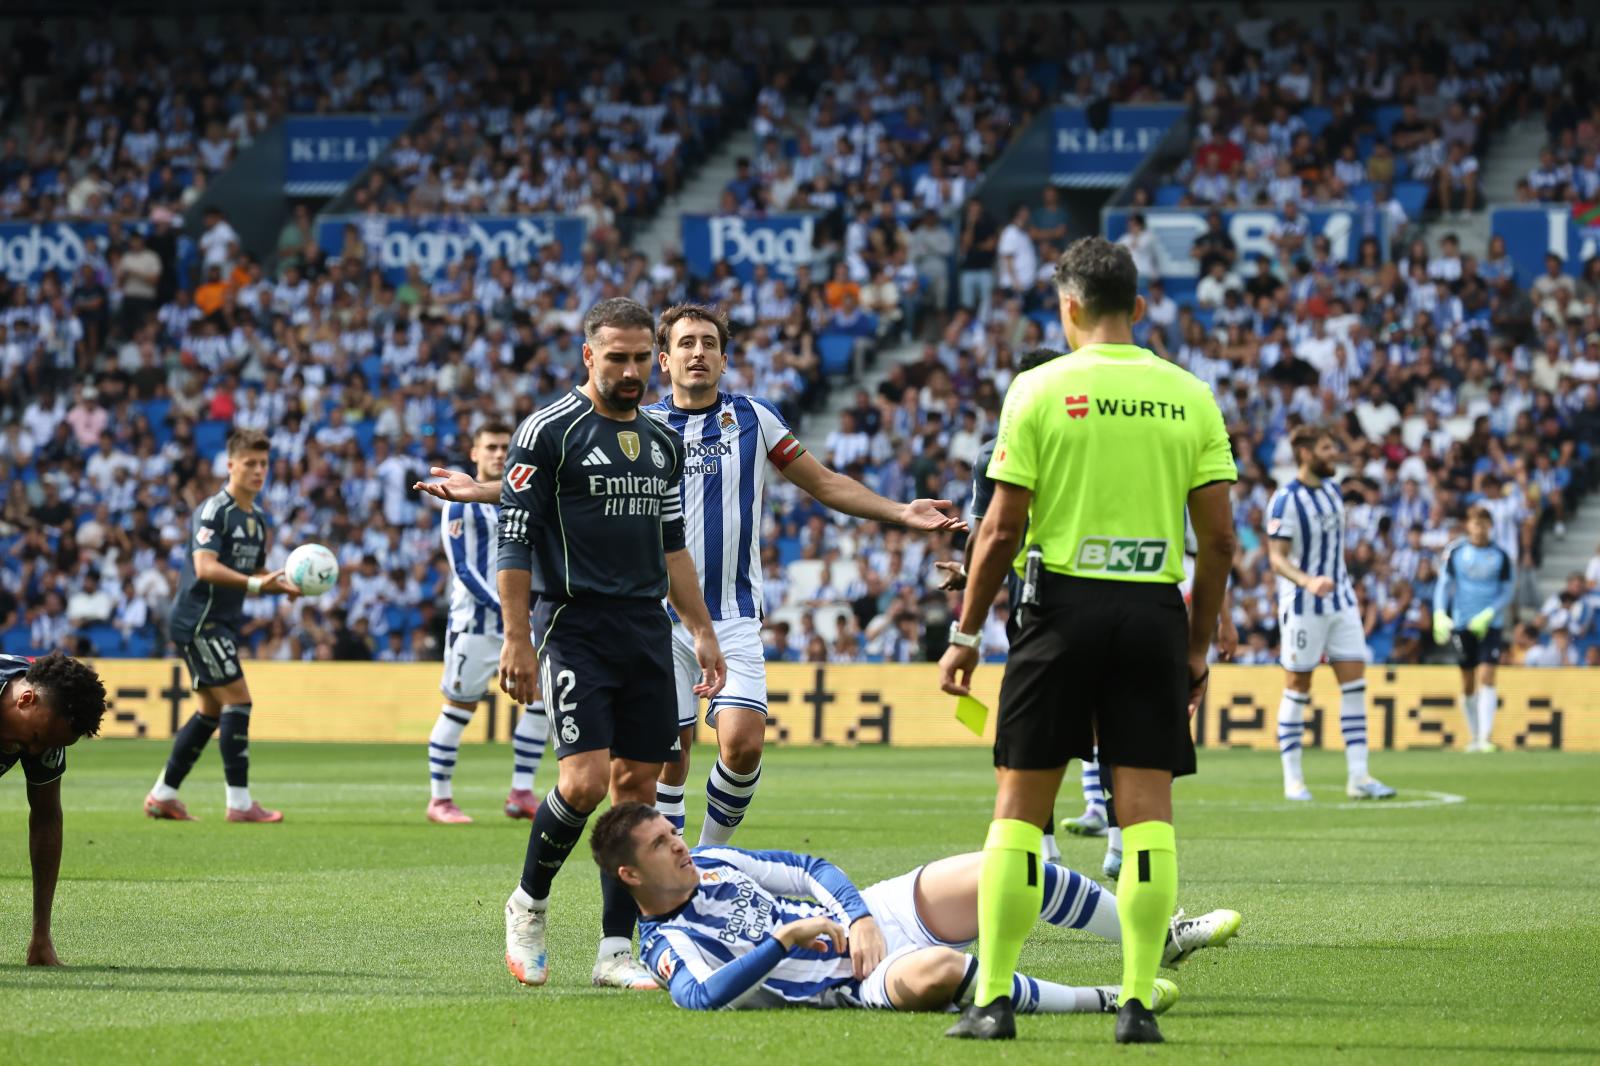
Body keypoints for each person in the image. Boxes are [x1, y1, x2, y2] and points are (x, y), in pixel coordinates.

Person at [937, 237, 1238, 1043]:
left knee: (1018, 812)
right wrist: (1198, 649)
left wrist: (965, 633)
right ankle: (1138, 1004)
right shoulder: (1191, 395)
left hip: (1059, 613)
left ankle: (994, 1000)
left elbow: (1000, 530)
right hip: (1150, 615)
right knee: (1147, 820)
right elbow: (1219, 545)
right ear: (1138, 307)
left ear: (1066, 307)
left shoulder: (1038, 388)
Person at [420, 298, 728, 990]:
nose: (630, 369)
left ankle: (615, 951)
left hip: (647, 627)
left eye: (641, 356)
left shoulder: (661, 441)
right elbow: (515, 539)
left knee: (636, 791)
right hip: (575, 625)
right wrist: (518, 639)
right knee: (584, 782)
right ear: (588, 357)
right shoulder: (547, 431)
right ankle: (528, 903)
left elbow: (672, 545)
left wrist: (701, 630)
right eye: (615, 356)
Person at [645, 304, 963, 846]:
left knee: (742, 745)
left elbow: (825, 483)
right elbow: (573, 482)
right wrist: (495, 489)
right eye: (686, 344)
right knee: (668, 755)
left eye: (708, 344)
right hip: (655, 617)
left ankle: (710, 858)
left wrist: (900, 511)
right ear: (664, 358)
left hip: (734, 614)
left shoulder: (754, 418)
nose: (697, 352)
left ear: (724, 359)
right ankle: (671, 876)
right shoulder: (642, 427)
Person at [590, 802, 1238, 1013]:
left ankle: (1158, 938)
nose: (678, 843)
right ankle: (1107, 998)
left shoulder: (716, 862)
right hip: (850, 981)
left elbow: (809, 869)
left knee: (1010, 870)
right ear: (629, 873)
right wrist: (785, 940)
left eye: (670, 832)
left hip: (874, 917)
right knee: (938, 973)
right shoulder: (666, 945)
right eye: (659, 843)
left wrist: (859, 916)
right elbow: (701, 1000)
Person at [145, 430, 299, 823]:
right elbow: (205, 567)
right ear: (230, 465)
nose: (258, 471)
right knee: (239, 700)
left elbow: (254, 571)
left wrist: (282, 585)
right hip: (200, 622)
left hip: (220, 624)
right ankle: (240, 803)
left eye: (263, 464)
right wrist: (254, 584)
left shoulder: (258, 519)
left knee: (209, 712)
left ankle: (163, 795)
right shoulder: (215, 510)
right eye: (250, 463)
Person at [423, 422, 551, 824]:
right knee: (459, 709)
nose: (498, 454)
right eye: (490, 447)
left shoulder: (520, 499)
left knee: (542, 704)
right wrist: (508, 609)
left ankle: (521, 793)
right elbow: (464, 568)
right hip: (476, 625)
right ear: (475, 454)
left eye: (503, 447)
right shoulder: (459, 501)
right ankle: (439, 799)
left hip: (520, 623)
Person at [1267, 426, 1396, 803]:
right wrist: (1307, 581)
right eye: (1326, 448)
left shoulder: (1333, 492)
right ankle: (1293, 780)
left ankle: (1359, 776)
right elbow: (1277, 558)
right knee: (1297, 688)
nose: (1334, 454)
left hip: (1341, 602)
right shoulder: (1285, 499)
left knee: (1355, 686)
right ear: (1305, 454)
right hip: (1304, 605)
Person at [0, 653, 107, 965]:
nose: (33, 752)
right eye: (35, 738)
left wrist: (41, 934)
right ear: (26, 700)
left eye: (45, 745)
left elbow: (46, 820)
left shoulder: (45, 727)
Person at [1432, 506, 1516, 752]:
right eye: (1475, 523)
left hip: (1491, 624)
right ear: (1468, 526)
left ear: (1490, 526)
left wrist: (1490, 613)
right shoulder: (1456, 552)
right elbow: (1444, 585)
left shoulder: (1501, 556)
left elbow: (1508, 590)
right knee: (1468, 680)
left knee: (1487, 675)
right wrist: (1439, 613)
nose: (1479, 529)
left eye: (1484, 524)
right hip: (1462, 623)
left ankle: (1485, 738)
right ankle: (1474, 735)